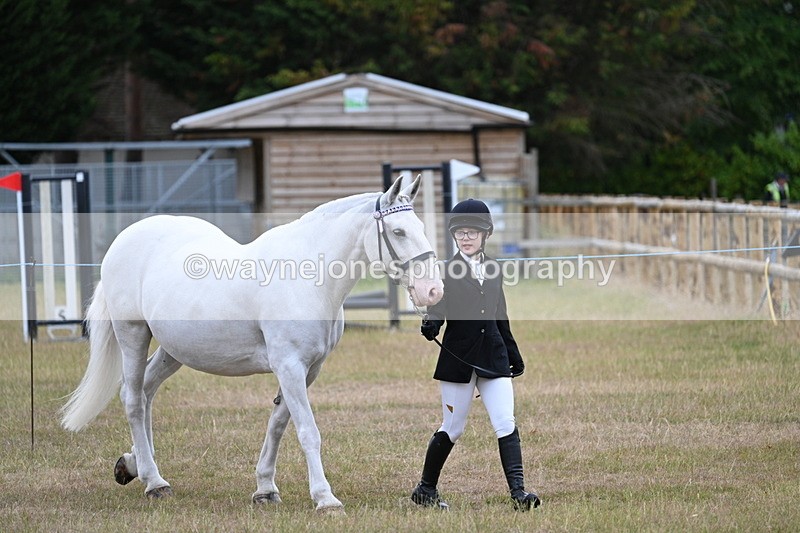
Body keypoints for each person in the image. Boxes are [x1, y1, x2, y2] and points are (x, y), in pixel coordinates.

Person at [410, 198, 541, 511]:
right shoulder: (446, 270)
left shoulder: (494, 268)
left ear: (485, 235)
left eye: (472, 232)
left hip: (493, 357)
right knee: (453, 428)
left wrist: (513, 352)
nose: (466, 237)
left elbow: (500, 314)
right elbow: (438, 307)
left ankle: (519, 494)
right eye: (461, 233)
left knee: (505, 421)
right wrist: (432, 323)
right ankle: (425, 489)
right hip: (459, 359)